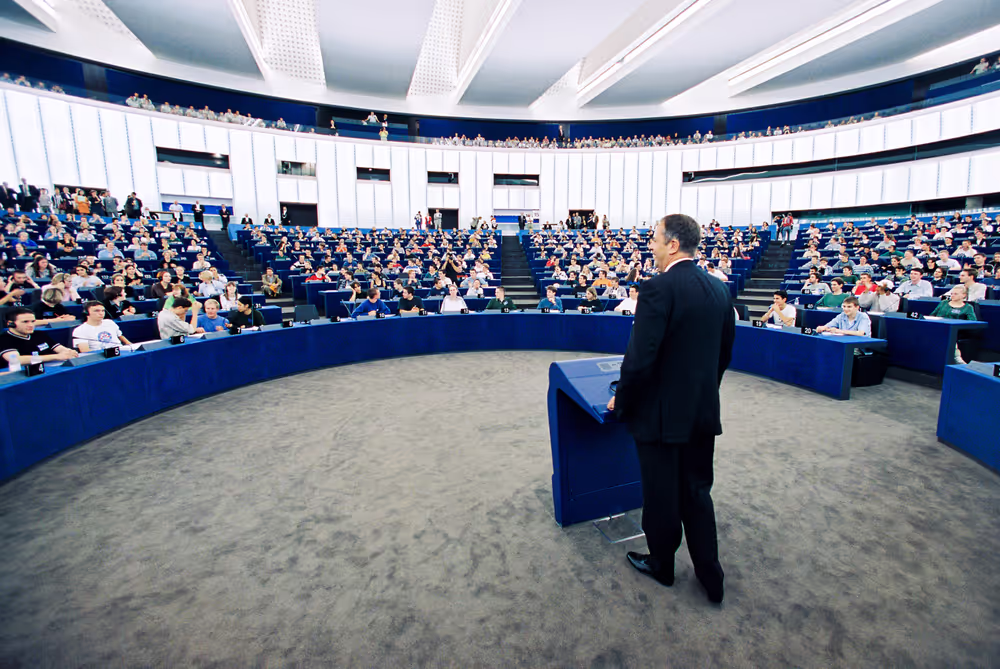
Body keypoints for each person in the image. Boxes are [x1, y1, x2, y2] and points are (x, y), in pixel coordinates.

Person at [607, 214, 734, 605]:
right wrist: (702, 394)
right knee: (697, 492)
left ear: (674, 245)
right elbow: (723, 355)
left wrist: (622, 400)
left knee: (662, 496)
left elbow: (640, 359)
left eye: (656, 240)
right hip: (701, 412)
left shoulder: (657, 288)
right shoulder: (718, 289)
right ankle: (711, 576)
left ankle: (662, 565)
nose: (652, 246)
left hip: (660, 419)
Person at [0, 307, 79, 366]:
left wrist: (69, 352)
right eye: (25, 322)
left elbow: (60, 348)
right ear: (10, 323)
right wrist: (56, 357)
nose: (31, 325)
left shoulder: (39, 334)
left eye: (33, 321)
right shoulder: (4, 339)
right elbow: (16, 359)